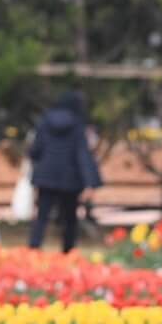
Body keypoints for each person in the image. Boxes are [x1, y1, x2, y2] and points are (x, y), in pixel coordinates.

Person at [27, 90, 102, 252]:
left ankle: (34, 248)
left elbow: (35, 150)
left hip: (46, 176)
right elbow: (82, 154)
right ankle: (68, 251)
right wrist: (90, 182)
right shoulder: (77, 125)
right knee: (69, 218)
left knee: (41, 216)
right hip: (70, 179)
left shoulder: (45, 122)